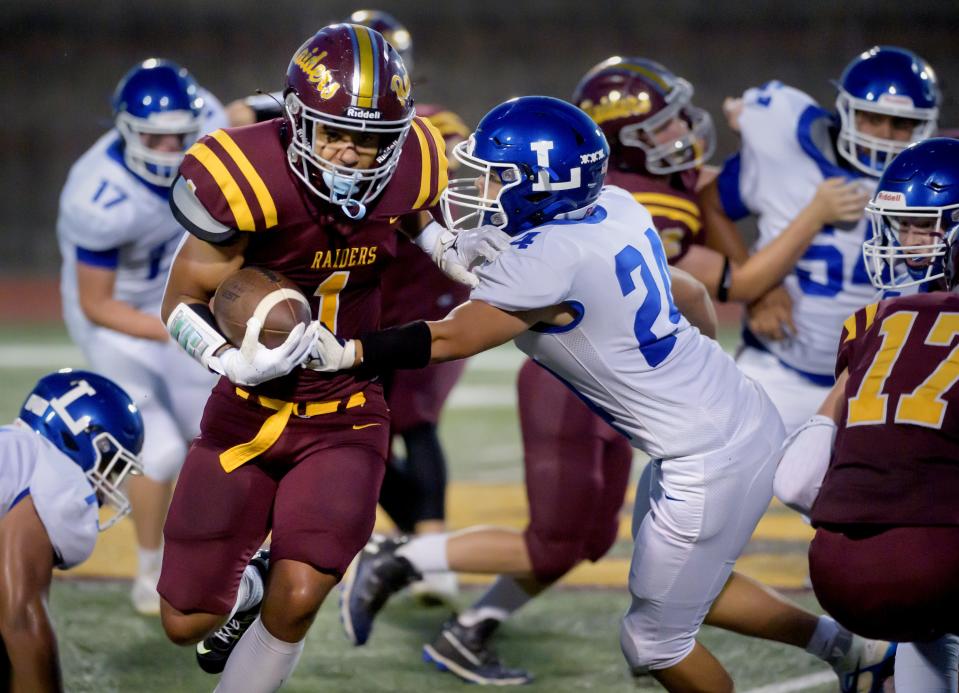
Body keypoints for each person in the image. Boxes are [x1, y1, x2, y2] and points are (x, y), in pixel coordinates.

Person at [362, 57, 888, 688]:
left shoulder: (550, 255)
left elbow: (448, 338)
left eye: (498, 176)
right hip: (733, 412)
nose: (483, 187)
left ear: (541, 183)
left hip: (705, 456)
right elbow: (689, 292)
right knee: (698, 590)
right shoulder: (614, 205)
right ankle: (855, 654)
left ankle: (853, 655)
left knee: (653, 642)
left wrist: (344, 352)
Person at [156, 24, 496, 692]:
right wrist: (232, 360)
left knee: (303, 588)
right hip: (249, 409)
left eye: (369, 140)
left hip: (347, 407)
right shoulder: (244, 172)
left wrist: (438, 243)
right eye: (332, 133)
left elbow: (413, 204)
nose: (348, 153)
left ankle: (264, 611)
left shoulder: (416, 156)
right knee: (183, 619)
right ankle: (247, 582)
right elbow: (178, 303)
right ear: (294, 120)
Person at [226, 9, 473, 604]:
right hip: (363, 289)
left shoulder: (427, 130)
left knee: (405, 419)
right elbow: (238, 115)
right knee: (364, 423)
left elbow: (456, 152)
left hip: (419, 288)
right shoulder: (303, 126)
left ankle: (427, 549)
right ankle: (420, 546)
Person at [55, 58, 228, 614]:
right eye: (156, 137)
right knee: (161, 450)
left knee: (219, 427)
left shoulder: (213, 126)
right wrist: (186, 322)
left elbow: (247, 116)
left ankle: (217, 549)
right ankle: (148, 566)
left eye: (182, 134)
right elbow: (97, 303)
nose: (172, 148)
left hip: (179, 303)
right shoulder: (98, 196)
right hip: (123, 319)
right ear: (125, 130)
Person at [704, 45, 940, 434]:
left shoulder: (938, 179)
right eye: (872, 118)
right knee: (709, 464)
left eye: (901, 125)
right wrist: (760, 289)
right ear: (845, 112)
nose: (885, 136)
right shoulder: (788, 147)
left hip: (883, 380)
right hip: (779, 368)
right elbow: (712, 204)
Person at [801, 137, 959, 693]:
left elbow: (798, 478)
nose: (910, 243)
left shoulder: (874, 320)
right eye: (905, 225)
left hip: (839, 571)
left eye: (927, 227)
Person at [0, 369, 144, 692]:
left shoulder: (12, 449)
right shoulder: (58, 475)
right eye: (112, 466)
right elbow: (21, 618)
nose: (109, 487)